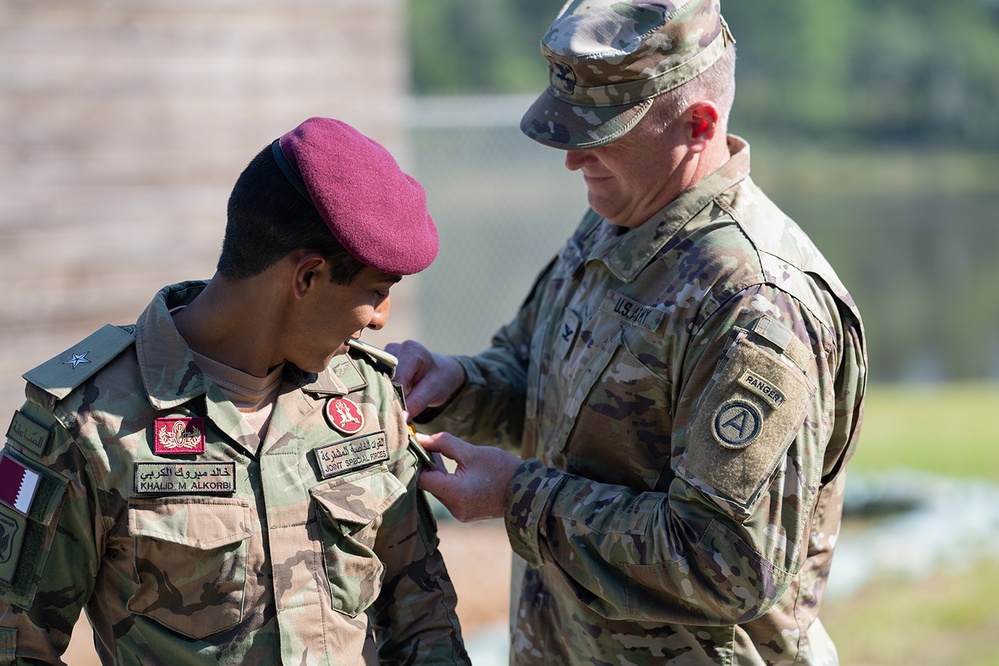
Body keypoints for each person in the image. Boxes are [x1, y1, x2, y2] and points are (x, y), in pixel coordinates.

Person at [387, 1, 867, 664]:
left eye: (602, 130)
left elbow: (726, 562)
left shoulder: (755, 304)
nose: (571, 157)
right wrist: (456, 384)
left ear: (698, 124)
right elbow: (538, 381)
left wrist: (517, 495)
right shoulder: (618, 219)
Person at [0, 117, 470, 665]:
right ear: (308, 276)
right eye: (375, 292)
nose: (382, 320)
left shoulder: (367, 400)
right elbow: (15, 646)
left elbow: (423, 620)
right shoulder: (82, 424)